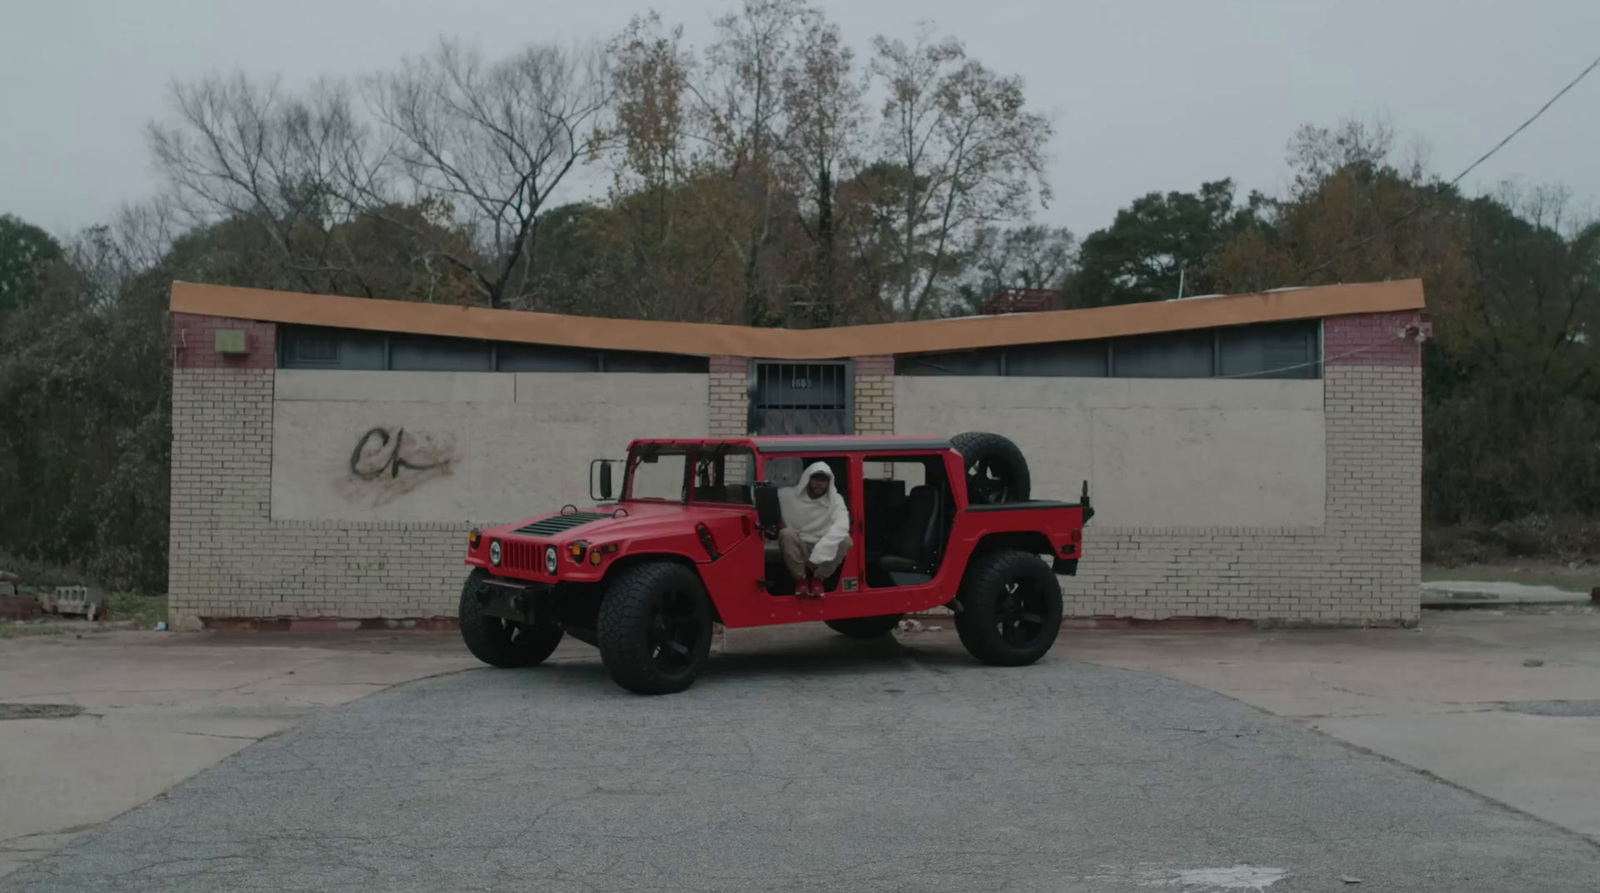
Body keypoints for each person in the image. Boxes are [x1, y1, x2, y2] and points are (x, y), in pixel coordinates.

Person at [776, 462, 852, 597]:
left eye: (823, 480)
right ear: (808, 479)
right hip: (800, 545)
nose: (819, 483)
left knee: (845, 540)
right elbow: (759, 494)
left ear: (829, 482)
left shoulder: (836, 499)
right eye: (816, 479)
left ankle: (818, 579)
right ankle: (801, 580)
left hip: (823, 546)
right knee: (786, 534)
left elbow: (842, 524)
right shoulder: (787, 495)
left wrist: (822, 549)